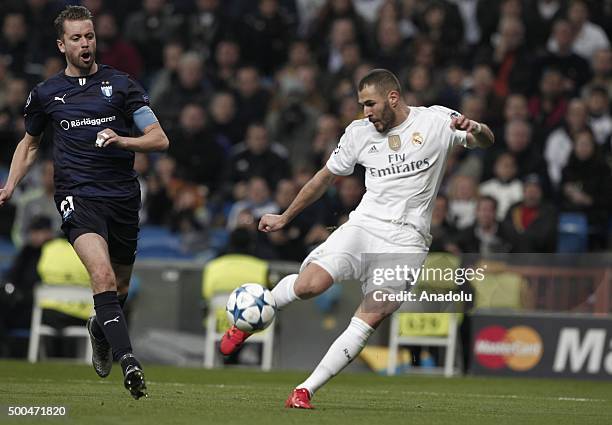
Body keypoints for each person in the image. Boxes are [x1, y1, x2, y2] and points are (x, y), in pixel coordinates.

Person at [219, 69, 494, 408]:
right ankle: (251, 320)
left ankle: (305, 390)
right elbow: (323, 180)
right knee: (309, 286)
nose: (366, 112)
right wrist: (285, 216)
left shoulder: (436, 121)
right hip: (363, 226)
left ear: (393, 98)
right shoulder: (358, 133)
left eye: (370, 104)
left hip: (407, 242)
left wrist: (477, 129)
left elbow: (486, 141)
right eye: (362, 105)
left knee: (372, 315)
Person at [0, 6, 169, 399]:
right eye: (76, 38)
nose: (85, 44)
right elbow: (30, 144)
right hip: (78, 197)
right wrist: (9, 186)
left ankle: (99, 327)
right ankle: (129, 362)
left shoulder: (122, 86)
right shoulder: (45, 94)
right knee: (103, 277)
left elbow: (159, 139)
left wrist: (124, 139)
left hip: (123, 197)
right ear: (62, 45)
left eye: (89, 36)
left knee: (120, 285)